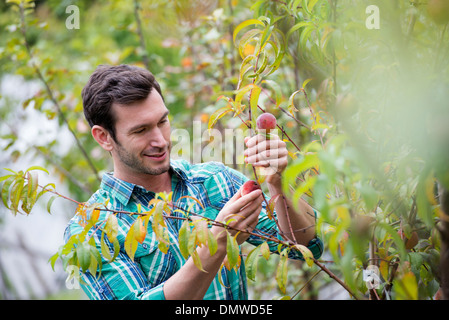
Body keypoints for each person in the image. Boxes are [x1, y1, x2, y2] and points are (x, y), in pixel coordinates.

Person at [64, 64, 323, 300]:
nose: (161, 140)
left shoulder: (214, 181)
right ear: (103, 137)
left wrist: (279, 184)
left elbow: (306, 247)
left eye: (163, 122)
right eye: (141, 130)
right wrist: (218, 242)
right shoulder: (90, 231)